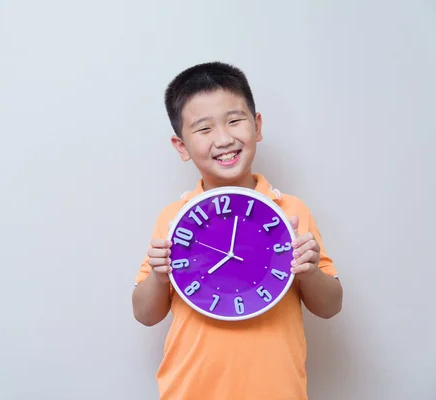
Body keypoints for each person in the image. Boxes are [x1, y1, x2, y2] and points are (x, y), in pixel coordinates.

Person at [131, 61, 343, 400]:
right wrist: (159, 276)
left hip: (278, 392)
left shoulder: (290, 211)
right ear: (181, 146)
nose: (224, 138)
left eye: (234, 120)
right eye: (204, 129)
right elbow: (144, 313)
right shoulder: (175, 219)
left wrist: (309, 271)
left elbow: (331, 305)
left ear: (257, 126)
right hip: (189, 391)